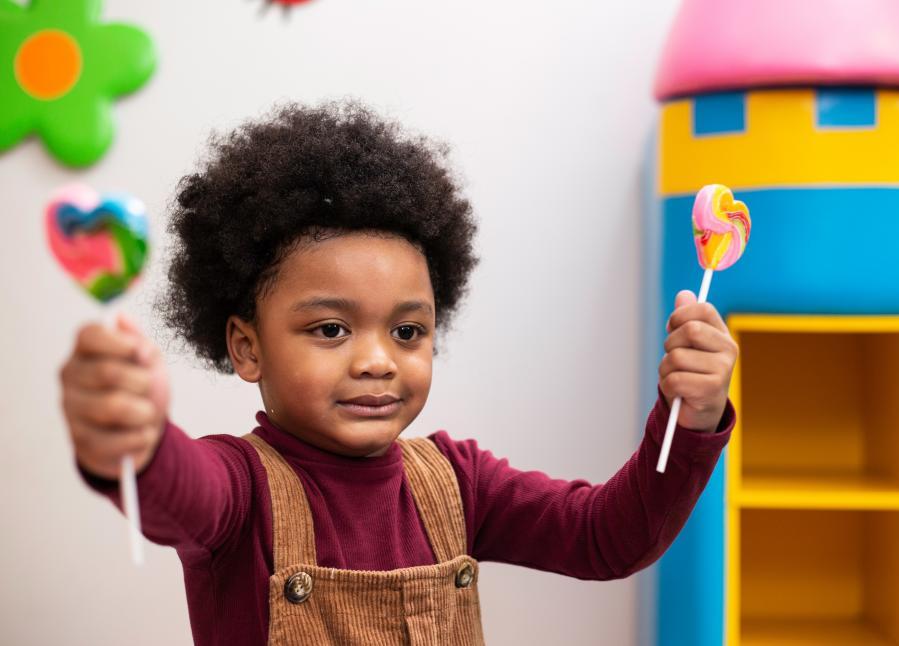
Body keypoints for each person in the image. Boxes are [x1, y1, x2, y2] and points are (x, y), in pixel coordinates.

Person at [59, 101, 737, 646]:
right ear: (246, 346)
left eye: (407, 331)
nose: (378, 359)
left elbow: (607, 539)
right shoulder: (239, 492)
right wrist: (137, 439)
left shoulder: (460, 483)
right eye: (331, 329)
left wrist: (693, 417)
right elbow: (179, 490)